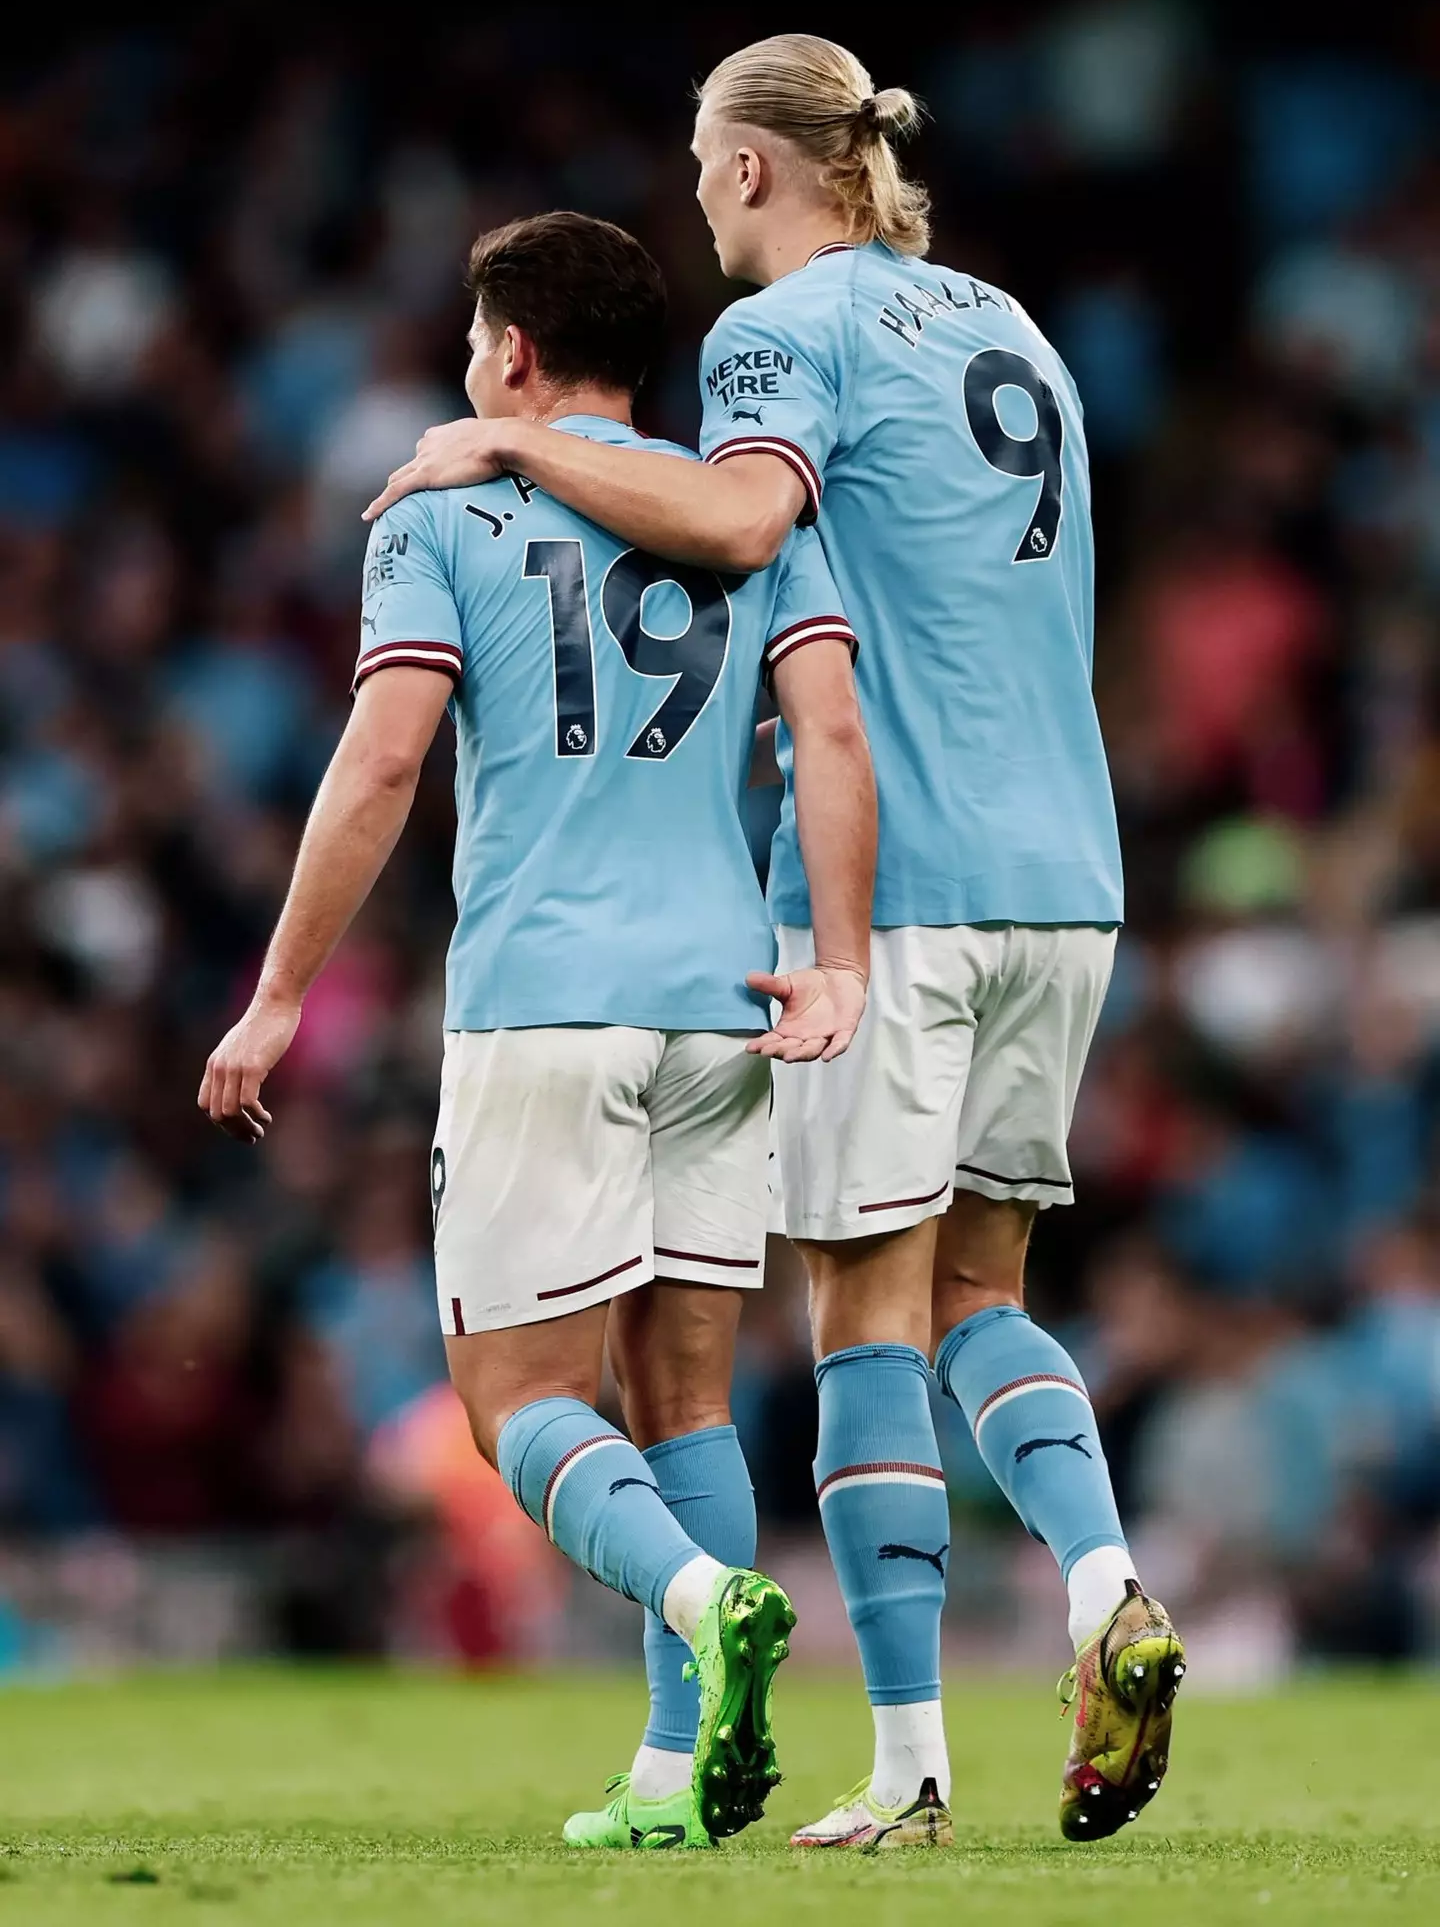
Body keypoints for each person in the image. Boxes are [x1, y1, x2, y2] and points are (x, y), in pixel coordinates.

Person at [363, 37, 1185, 1851]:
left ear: (746, 168)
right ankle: (1104, 1579)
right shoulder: (1012, 330)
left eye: (699, 159)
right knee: (989, 1294)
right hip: (1075, 863)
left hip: (908, 878)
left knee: (866, 1324)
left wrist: (508, 439)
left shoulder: (772, 335)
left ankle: (904, 1771)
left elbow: (740, 517)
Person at [201, 210, 877, 1849]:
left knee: (512, 1402)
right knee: (687, 1399)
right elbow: (834, 733)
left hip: (546, 1000)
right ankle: (669, 1773)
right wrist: (836, 954)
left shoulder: (446, 505)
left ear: (508, 350)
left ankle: (712, 1601)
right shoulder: (747, 512)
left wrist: (280, 991)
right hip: (731, 1002)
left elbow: (378, 768)